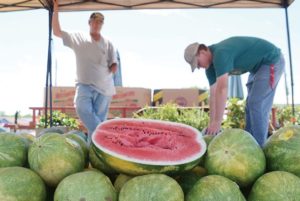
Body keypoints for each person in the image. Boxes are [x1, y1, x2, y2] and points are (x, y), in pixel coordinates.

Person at [184, 36, 285, 146]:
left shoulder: (220, 54)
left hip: (271, 60)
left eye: (197, 63)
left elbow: (222, 89)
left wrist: (218, 122)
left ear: (202, 52)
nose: (198, 67)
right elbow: (213, 96)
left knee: (256, 103)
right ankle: (249, 145)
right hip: (256, 68)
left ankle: (260, 148)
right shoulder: (210, 69)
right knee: (249, 106)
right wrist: (212, 124)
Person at [52, 0, 118, 145]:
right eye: (94, 21)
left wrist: (114, 67)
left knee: (94, 126)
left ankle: (93, 154)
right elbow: (56, 32)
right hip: (84, 85)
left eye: (100, 22)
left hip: (104, 89)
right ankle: (106, 135)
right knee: (81, 108)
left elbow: (113, 63)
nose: (97, 24)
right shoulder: (78, 38)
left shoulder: (108, 43)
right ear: (89, 22)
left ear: (102, 25)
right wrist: (56, 9)